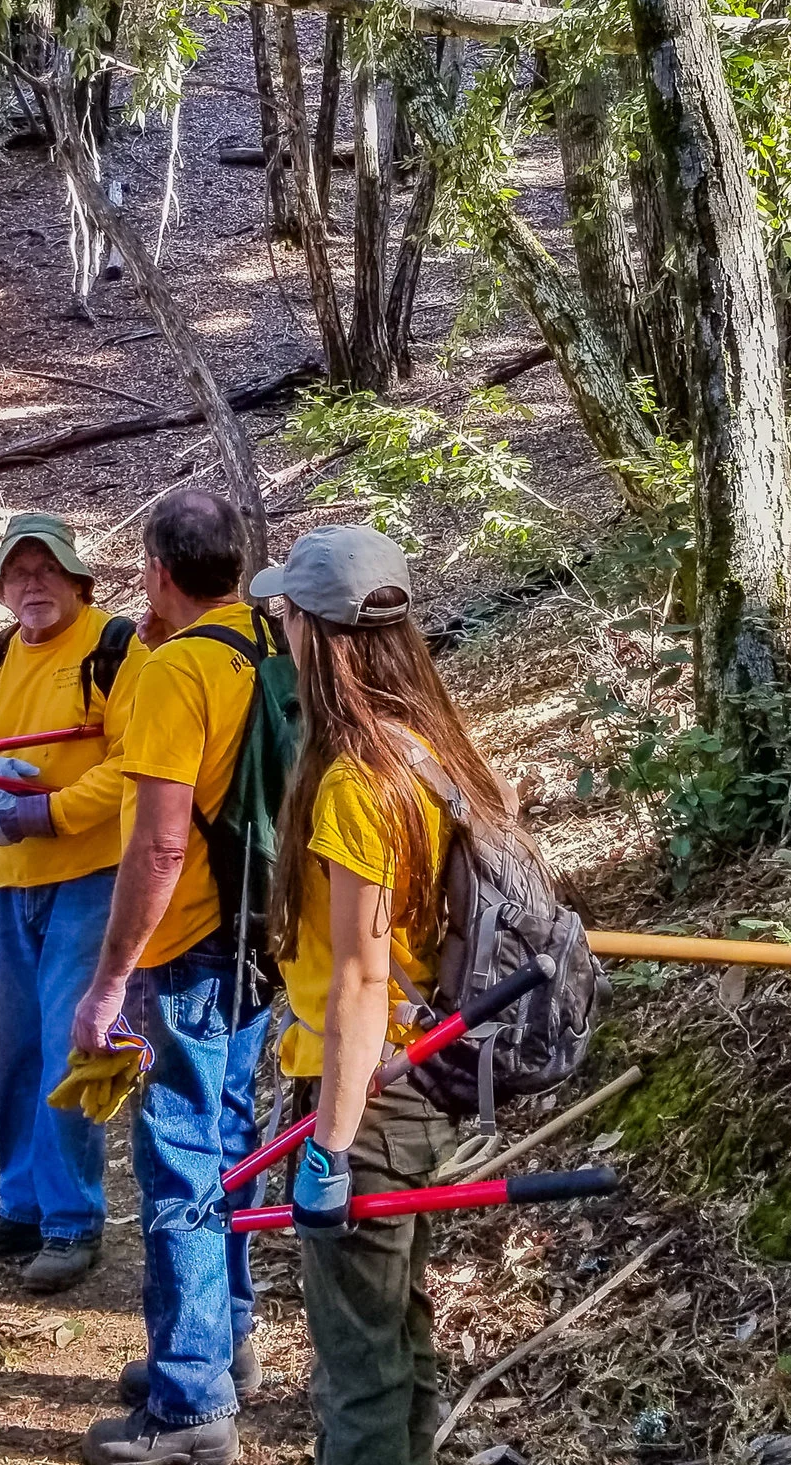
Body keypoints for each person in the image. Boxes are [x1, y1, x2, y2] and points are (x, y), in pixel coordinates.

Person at [256, 524, 533, 1465]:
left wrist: (330, 1147)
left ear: (318, 636)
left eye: (288, 615)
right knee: (400, 1334)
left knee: (360, 1367)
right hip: (419, 1078)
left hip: (369, 1097)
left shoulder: (357, 784)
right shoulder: (431, 747)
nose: (282, 629)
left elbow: (361, 977)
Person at [69, 490, 276, 1465]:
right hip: (260, 935)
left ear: (157, 570)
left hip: (186, 945)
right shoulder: (267, 644)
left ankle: (192, 1402)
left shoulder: (173, 673)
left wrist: (109, 980)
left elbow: (157, 846)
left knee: (180, 1157)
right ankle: (225, 1339)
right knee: (228, 1137)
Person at [0, 511, 147, 1293]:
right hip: (12, 882)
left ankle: (71, 1221)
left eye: (47, 569)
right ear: (1, 589)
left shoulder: (114, 646)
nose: (33, 584)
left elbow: (136, 763)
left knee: (68, 1042)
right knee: (16, 1050)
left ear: (76, 578)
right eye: (18, 573)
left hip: (93, 876)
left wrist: (49, 810)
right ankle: (20, 1206)